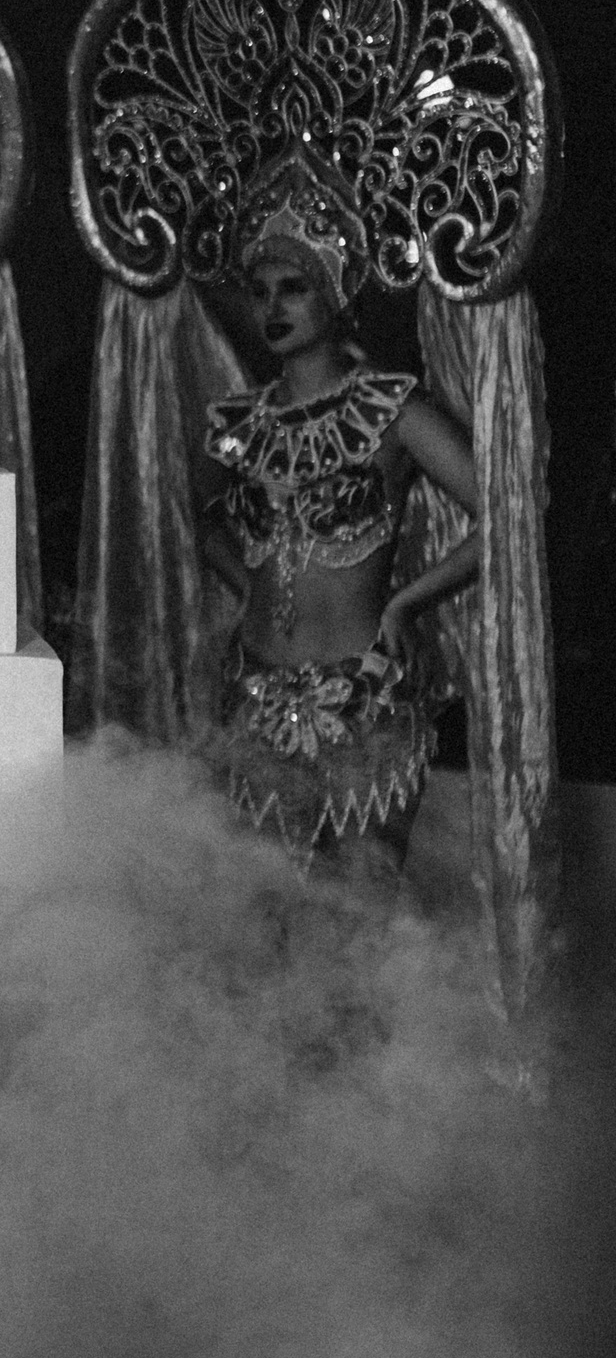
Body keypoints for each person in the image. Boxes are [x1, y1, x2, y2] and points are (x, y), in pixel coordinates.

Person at [198, 153, 480, 874]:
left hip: (364, 701)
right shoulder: (240, 426)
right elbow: (199, 519)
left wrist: (406, 605)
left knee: (359, 922)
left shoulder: (392, 411)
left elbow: (502, 515)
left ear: (335, 294)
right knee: (256, 921)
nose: (274, 308)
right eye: (260, 292)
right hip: (253, 699)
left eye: (294, 289)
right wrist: (246, 586)